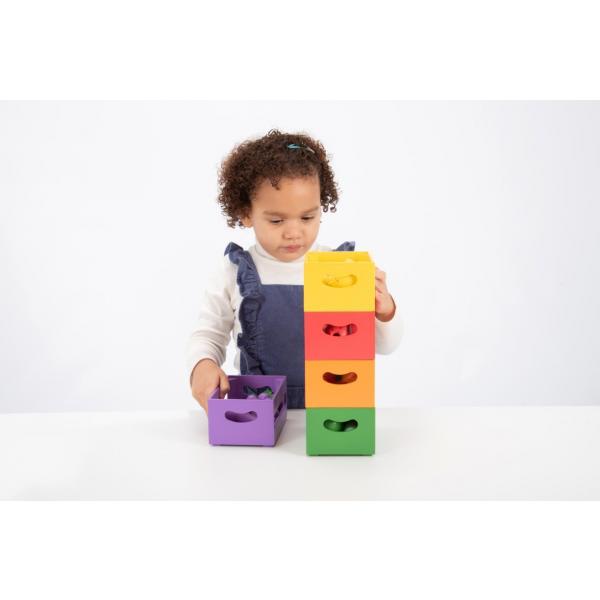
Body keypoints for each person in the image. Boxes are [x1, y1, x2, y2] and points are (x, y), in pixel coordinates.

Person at [186, 129, 403, 412]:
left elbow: (384, 347)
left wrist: (384, 312)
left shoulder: (341, 270)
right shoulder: (233, 271)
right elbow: (209, 334)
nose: (293, 232)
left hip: (332, 413)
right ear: (246, 213)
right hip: (258, 412)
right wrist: (202, 365)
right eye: (276, 220)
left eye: (308, 217)